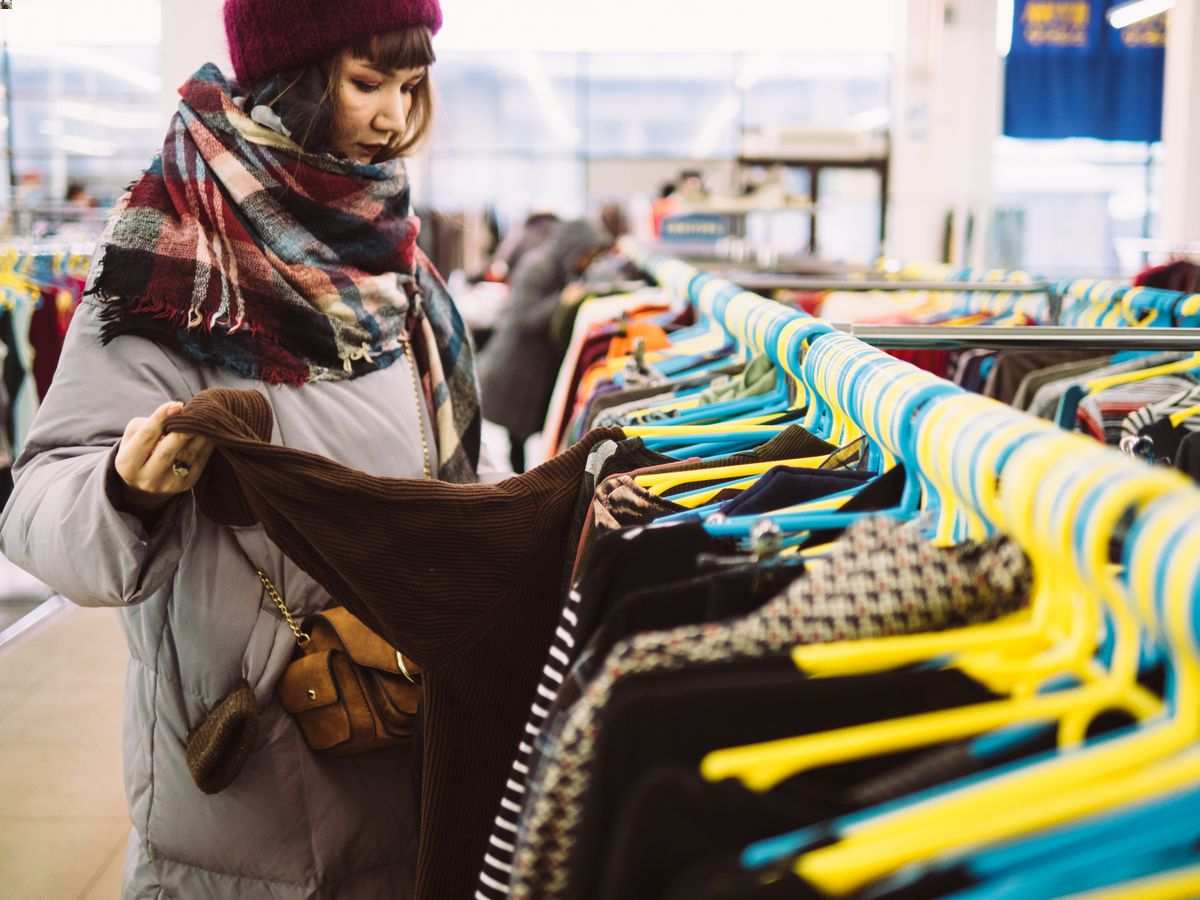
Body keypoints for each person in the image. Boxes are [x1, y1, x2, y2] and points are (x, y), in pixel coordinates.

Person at [0, 0, 488, 897]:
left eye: (411, 85)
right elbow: (37, 502)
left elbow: (435, 460)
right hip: (253, 785)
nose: (392, 116)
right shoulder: (176, 260)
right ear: (290, 80)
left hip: (402, 723)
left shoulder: (394, 258)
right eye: (366, 82)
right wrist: (122, 489)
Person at [477, 219, 612, 472]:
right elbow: (522, 316)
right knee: (516, 439)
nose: (588, 261)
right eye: (586, 254)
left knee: (526, 437)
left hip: (534, 371)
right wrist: (563, 300)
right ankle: (519, 489)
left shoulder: (563, 268)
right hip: (514, 368)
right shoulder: (537, 266)